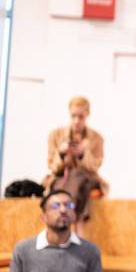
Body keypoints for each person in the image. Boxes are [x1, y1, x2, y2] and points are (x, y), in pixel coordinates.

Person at [3, 189, 105, 272]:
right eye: (56, 206)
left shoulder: (90, 251)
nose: (63, 210)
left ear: (74, 214)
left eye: (69, 205)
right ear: (43, 216)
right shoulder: (23, 249)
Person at [43, 96, 107, 232]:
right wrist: (60, 153)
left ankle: (66, 224)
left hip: (88, 179)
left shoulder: (97, 138)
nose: (76, 121)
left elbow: (96, 166)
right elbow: (52, 167)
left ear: (87, 115)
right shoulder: (55, 135)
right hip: (62, 179)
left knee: (78, 176)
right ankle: (78, 226)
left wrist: (82, 155)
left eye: (81, 117)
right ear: (69, 114)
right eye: (73, 116)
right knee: (70, 181)